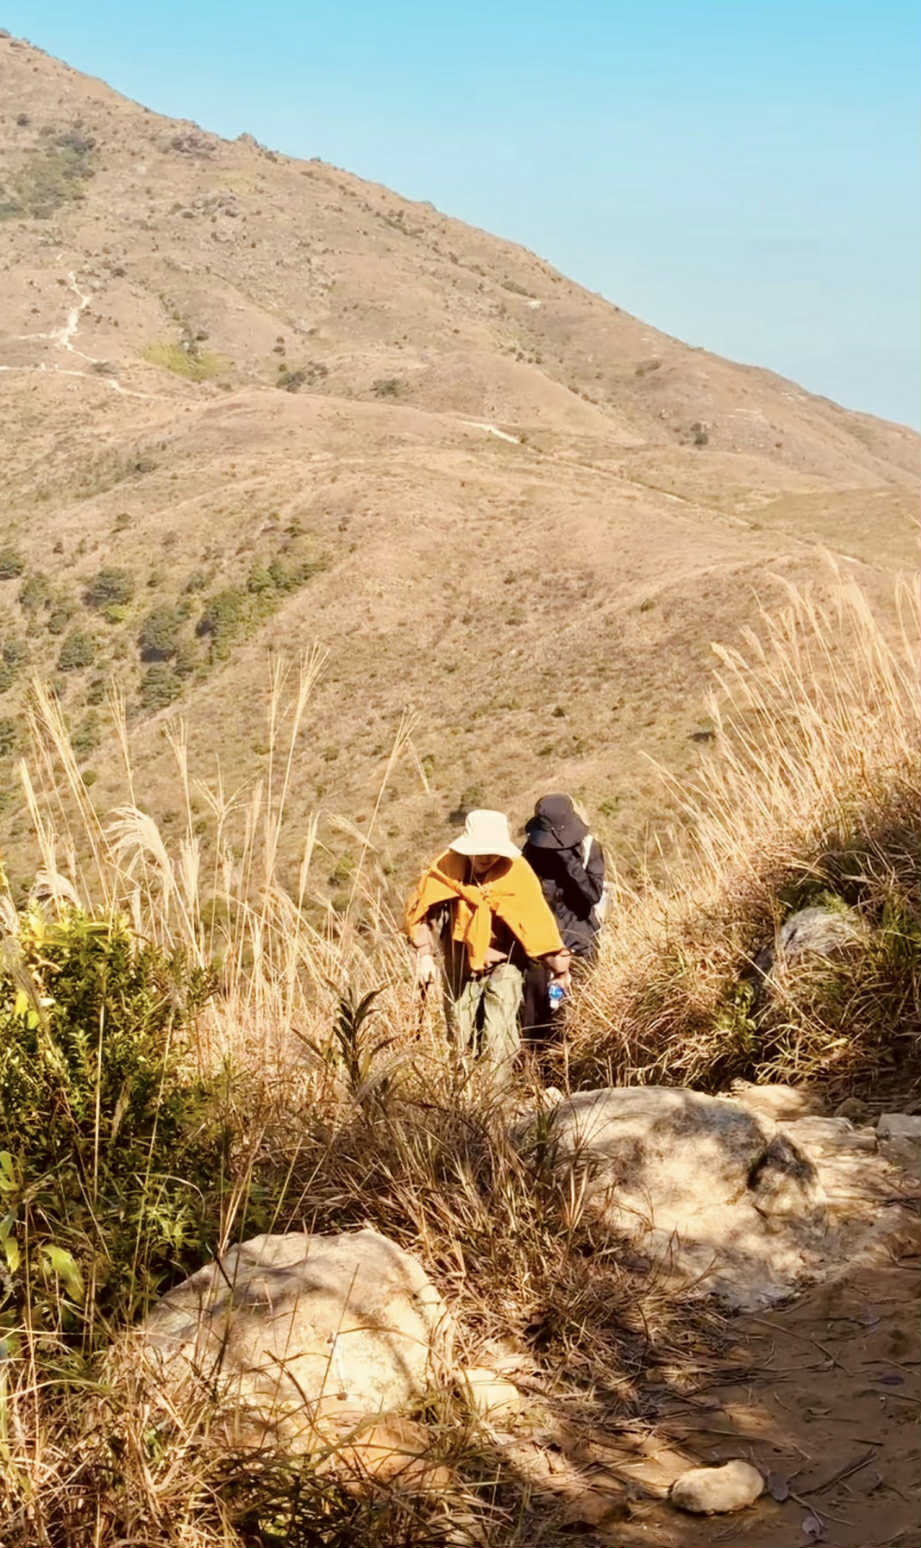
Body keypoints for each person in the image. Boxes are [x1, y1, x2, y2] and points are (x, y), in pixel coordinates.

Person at [404, 808, 571, 1075]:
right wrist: (424, 954)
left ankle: (497, 1104)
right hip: (460, 959)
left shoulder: (516, 873)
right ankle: (462, 1100)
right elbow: (422, 910)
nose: (486, 857)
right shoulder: (448, 868)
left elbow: (537, 925)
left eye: (492, 851)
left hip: (506, 961)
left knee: (499, 1036)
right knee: (459, 1033)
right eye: (480, 850)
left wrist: (559, 970)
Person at [520, 794, 605, 1035]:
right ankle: (537, 1068)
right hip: (542, 946)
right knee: (539, 1018)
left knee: (580, 1013)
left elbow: (592, 895)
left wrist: (569, 860)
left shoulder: (589, 848)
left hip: (580, 942)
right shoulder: (531, 851)